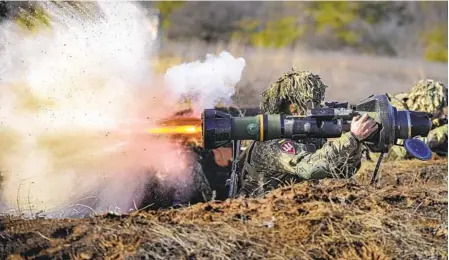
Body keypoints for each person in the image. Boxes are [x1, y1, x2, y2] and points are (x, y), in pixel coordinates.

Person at [235, 70, 378, 198]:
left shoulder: (307, 136)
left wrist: (357, 142)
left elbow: (343, 171)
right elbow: (310, 169)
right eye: (313, 103)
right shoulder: (272, 142)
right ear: (293, 108)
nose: (319, 107)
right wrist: (351, 137)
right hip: (260, 215)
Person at [366, 79, 447, 162]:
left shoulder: (415, 114)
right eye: (439, 108)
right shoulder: (396, 111)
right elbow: (405, 148)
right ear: (427, 104)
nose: (441, 113)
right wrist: (443, 132)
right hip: (375, 161)